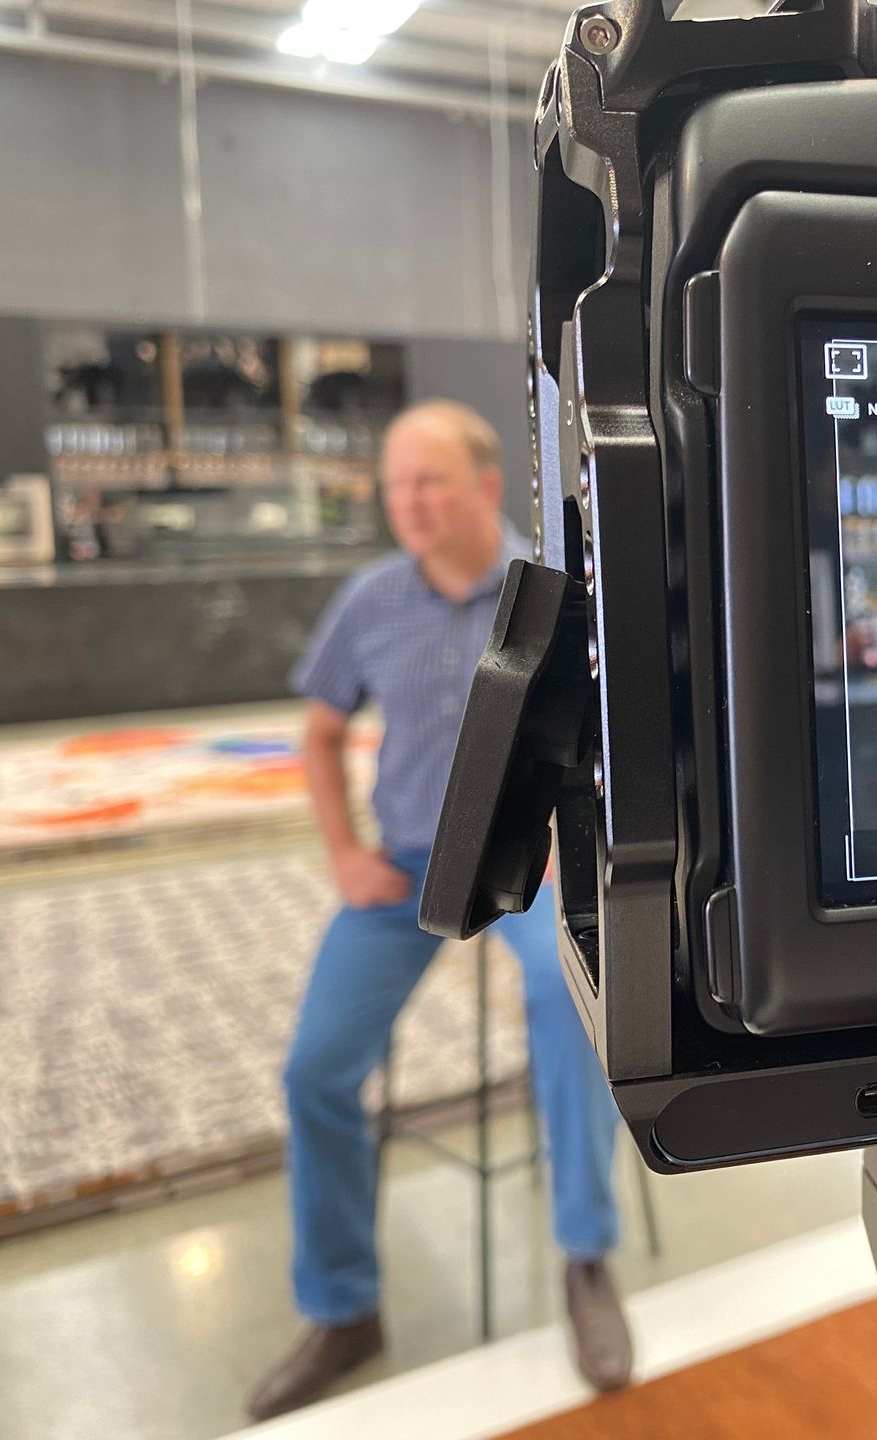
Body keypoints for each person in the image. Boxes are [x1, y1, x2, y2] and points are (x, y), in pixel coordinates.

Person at [245, 401, 631, 1421]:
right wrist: (344, 854)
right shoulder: (370, 598)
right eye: (394, 483)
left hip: (530, 868)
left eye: (430, 479)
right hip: (405, 873)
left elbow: (617, 739)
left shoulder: (557, 596)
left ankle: (586, 1258)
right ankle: (342, 1309)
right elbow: (319, 733)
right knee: (315, 1068)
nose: (408, 501)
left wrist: (579, 846)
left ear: (487, 485)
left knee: (573, 1007)